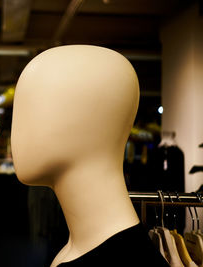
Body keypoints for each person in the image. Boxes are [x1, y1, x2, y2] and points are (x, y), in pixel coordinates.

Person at [11, 45, 169, 266]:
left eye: (28, 112)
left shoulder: (122, 259)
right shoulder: (80, 250)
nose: (14, 135)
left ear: (84, 121)